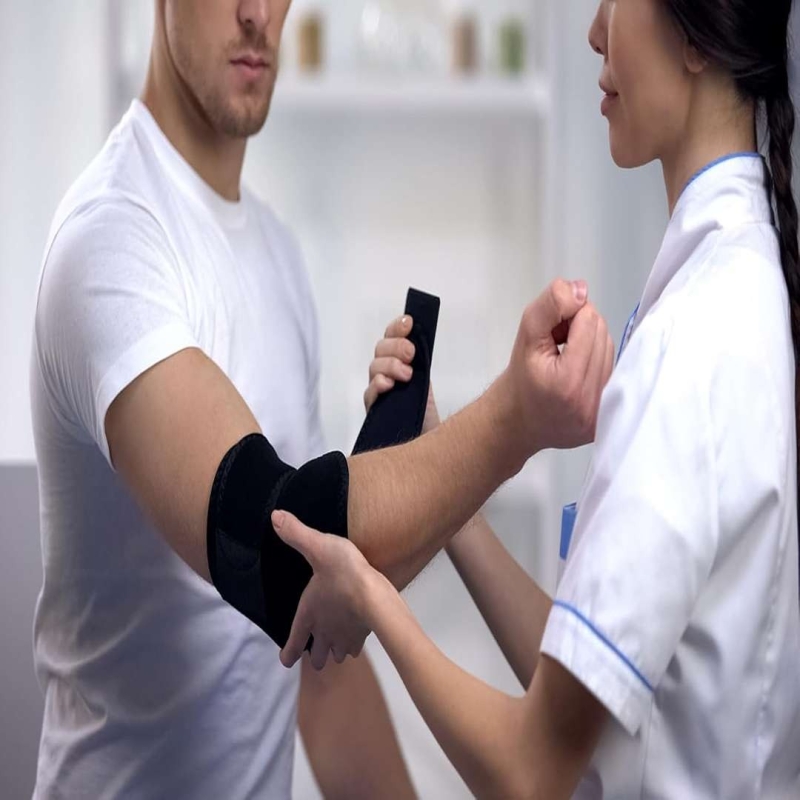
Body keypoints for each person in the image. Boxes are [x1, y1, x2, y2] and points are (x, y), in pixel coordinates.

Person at [273, 0, 800, 796]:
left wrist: (369, 595)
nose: (595, 31)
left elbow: (534, 773)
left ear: (697, 39)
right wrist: (441, 472)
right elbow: (584, 702)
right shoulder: (739, 288)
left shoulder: (693, 340)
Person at [30, 1, 418, 797]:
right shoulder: (112, 239)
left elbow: (318, 655)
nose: (257, 14)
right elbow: (273, 560)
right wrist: (517, 423)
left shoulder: (278, 257)